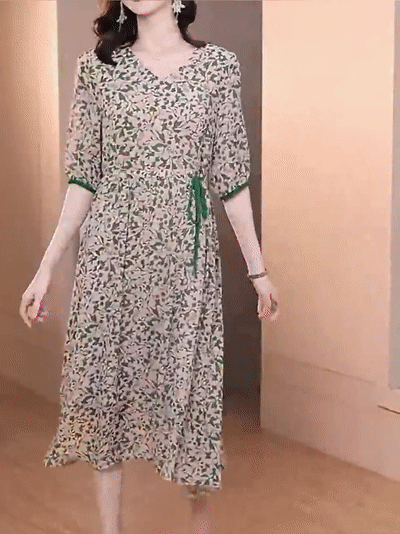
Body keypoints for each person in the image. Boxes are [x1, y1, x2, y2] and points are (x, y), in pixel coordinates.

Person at [19, 1, 279, 533]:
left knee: (195, 401)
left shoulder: (218, 68)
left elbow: (231, 180)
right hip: (110, 257)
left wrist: (258, 272)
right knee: (104, 393)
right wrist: (45, 269)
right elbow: (83, 179)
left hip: (185, 261)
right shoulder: (97, 69)